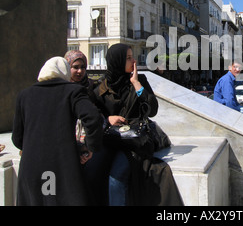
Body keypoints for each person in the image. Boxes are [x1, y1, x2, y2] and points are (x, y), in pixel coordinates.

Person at [85, 43, 182, 206]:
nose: (134, 61)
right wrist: (108, 119)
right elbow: (91, 113)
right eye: (129, 58)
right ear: (117, 61)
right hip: (111, 139)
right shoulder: (100, 87)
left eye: (132, 57)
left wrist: (136, 83)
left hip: (134, 141)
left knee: (116, 177)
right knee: (91, 170)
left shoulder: (139, 80)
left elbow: (152, 110)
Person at [12, 57, 103, 205]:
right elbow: (93, 117)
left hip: (32, 167)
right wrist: (90, 147)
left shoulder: (24, 95)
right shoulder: (73, 91)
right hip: (61, 165)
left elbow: (17, 138)